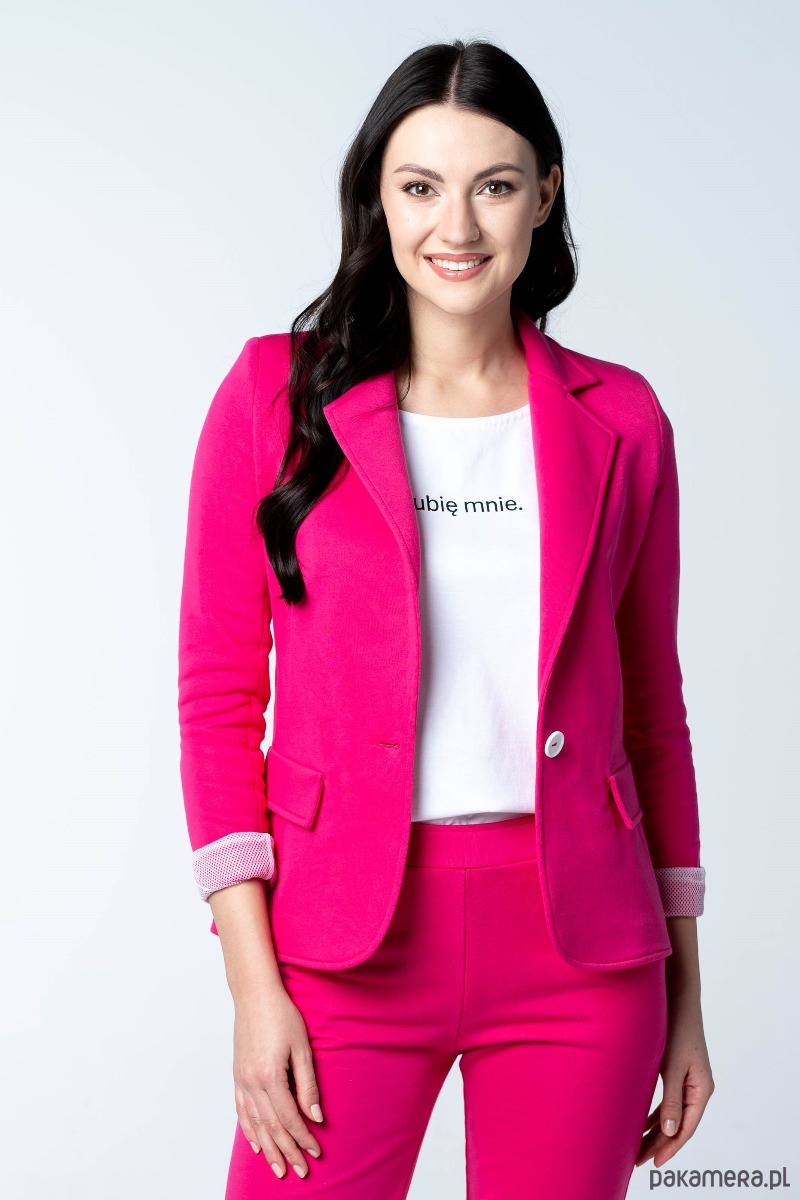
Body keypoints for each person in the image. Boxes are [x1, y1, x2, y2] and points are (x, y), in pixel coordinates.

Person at [177, 38, 714, 1199]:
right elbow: (217, 699)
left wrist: (686, 995)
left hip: (579, 954)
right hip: (340, 943)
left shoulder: (621, 421)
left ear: (543, 195)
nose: (455, 225)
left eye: (494, 184)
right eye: (419, 186)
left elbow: (652, 716)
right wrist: (252, 985)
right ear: (376, 195)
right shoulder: (274, 396)